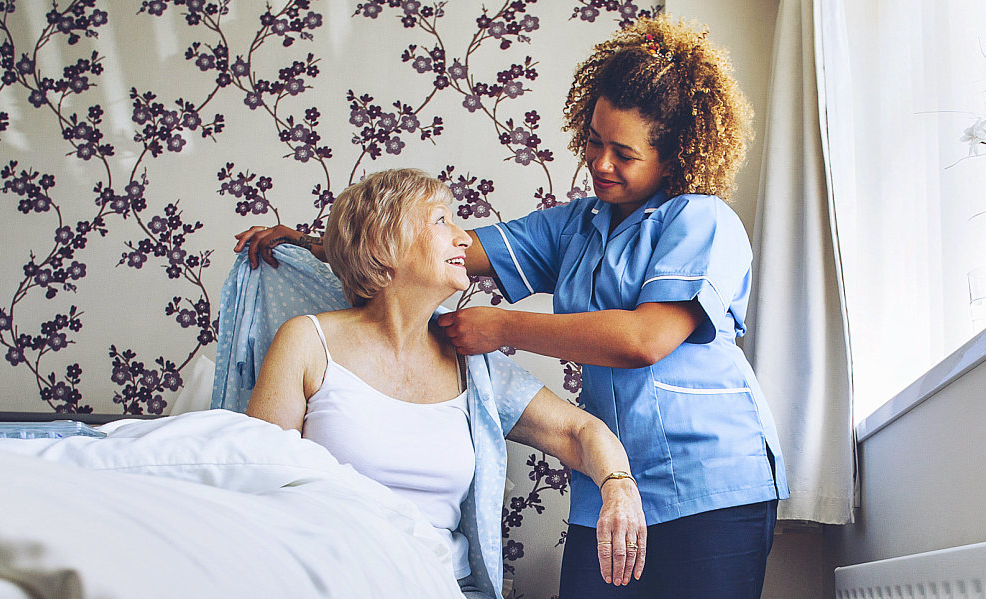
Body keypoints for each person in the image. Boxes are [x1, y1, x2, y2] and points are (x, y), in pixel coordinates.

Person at [233, 15, 786, 599]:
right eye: (594, 141)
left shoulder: (704, 221)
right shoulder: (576, 226)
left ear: (673, 155)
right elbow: (438, 247)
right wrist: (326, 245)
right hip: (606, 482)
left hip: (711, 478)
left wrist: (500, 327)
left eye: (623, 153)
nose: (599, 162)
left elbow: (644, 339)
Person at [238, 168, 648, 597]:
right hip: (330, 581)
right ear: (384, 243)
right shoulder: (306, 341)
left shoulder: (472, 365)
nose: (465, 238)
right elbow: (259, 485)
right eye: (441, 221)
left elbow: (579, 430)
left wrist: (618, 484)